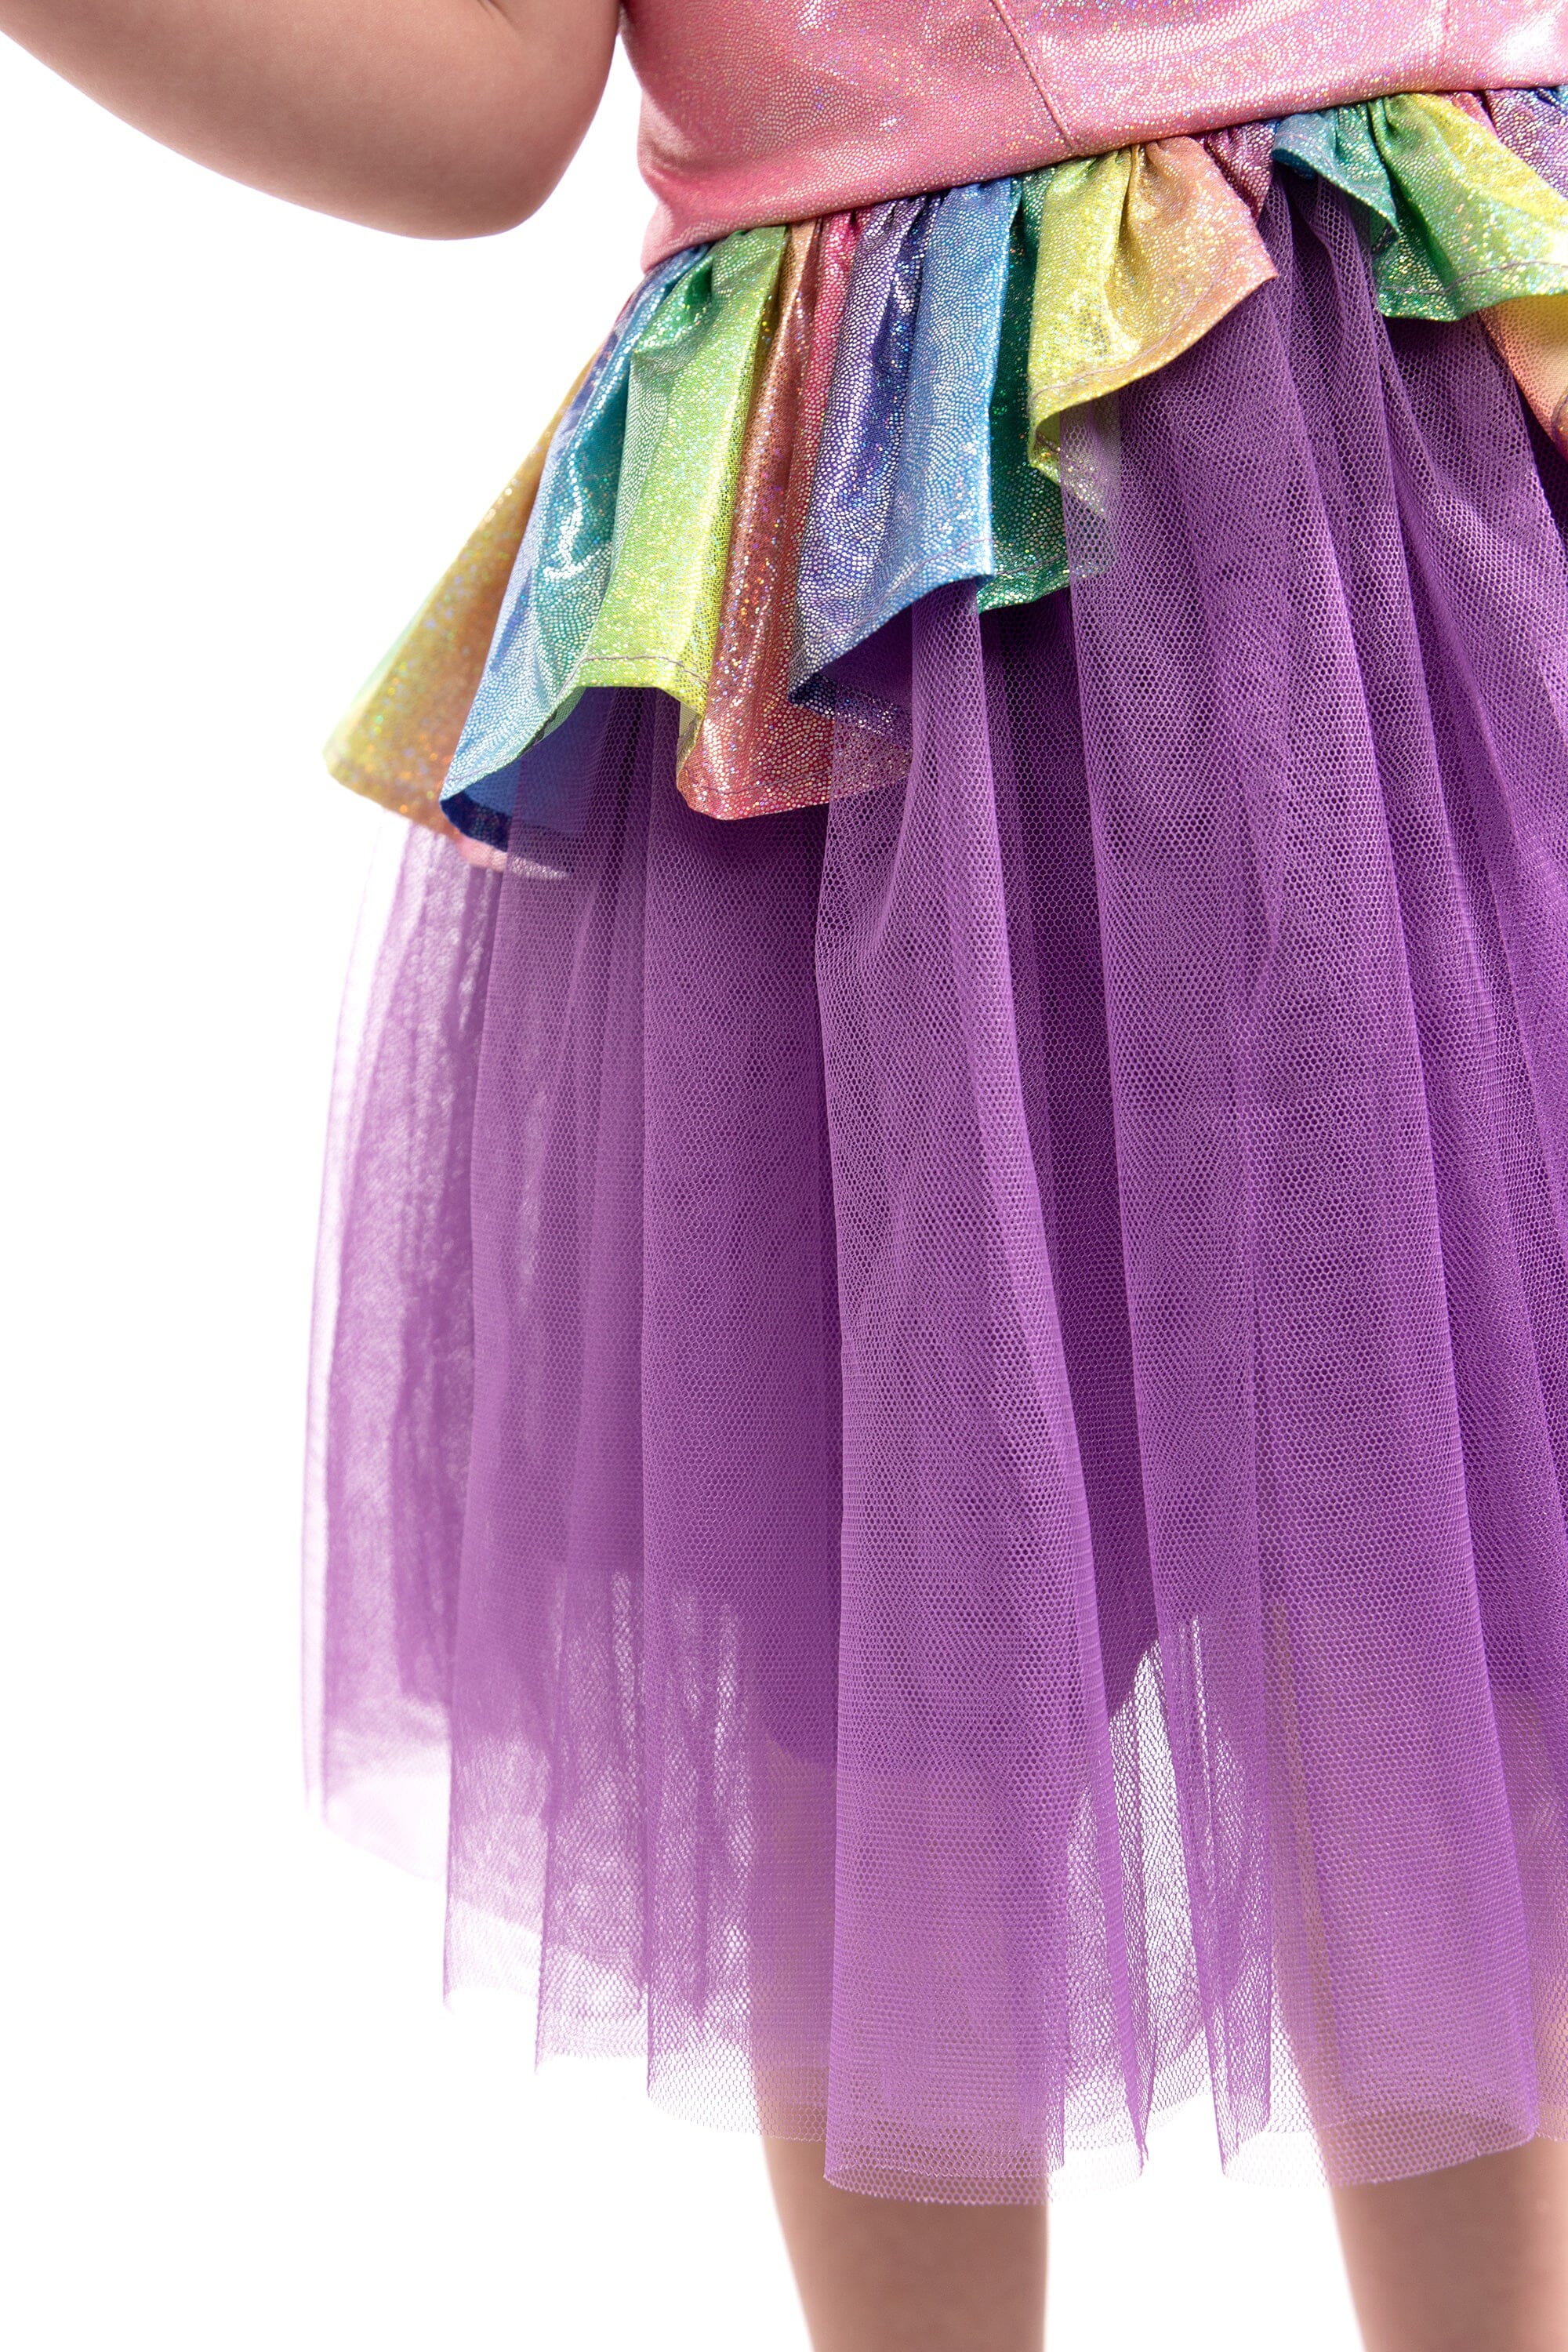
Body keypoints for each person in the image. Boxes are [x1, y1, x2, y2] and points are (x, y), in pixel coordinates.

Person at [14, 2, 1568, 2345]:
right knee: (888, 1601)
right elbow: (484, 114)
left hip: (1411, 473)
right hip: (871, 611)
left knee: (1452, 1550)